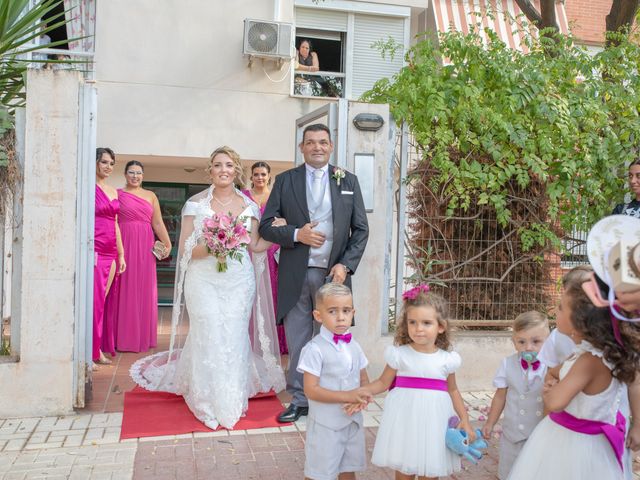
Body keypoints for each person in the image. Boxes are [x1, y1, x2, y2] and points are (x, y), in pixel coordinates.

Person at [130, 146, 285, 430]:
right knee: (210, 331)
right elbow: (186, 251)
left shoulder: (250, 207)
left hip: (238, 280)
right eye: (217, 165)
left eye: (228, 165)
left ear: (236, 170)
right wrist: (217, 245)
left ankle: (231, 397)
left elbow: (254, 245)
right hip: (203, 279)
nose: (223, 170)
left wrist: (283, 234)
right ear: (210, 170)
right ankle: (204, 399)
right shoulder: (195, 205)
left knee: (233, 334)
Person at [259, 123, 369, 423]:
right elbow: (265, 225)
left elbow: (360, 229)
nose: (317, 147)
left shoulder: (348, 180)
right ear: (302, 147)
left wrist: (344, 265)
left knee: (335, 335)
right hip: (296, 272)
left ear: (331, 146)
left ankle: (331, 393)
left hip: (333, 276)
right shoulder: (285, 180)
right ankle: (300, 399)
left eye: (322, 142)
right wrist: (297, 235)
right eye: (310, 142)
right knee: (298, 340)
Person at [507, 273, 640, 480]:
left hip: (577, 444)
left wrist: (550, 391)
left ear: (579, 320)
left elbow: (556, 402)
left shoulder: (588, 361)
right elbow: (556, 370)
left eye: (560, 307)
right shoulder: (588, 354)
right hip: (577, 437)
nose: (555, 311)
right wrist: (553, 377)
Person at [358, 285, 473, 479]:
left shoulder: (447, 359)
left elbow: (453, 390)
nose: (418, 329)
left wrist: (465, 420)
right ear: (406, 325)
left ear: (441, 327)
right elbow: (382, 382)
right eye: (412, 322)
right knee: (404, 468)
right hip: (405, 420)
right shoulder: (399, 355)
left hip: (434, 421)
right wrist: (360, 391)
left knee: (431, 468)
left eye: (426, 323)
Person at [297, 283, 370, 480]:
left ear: (353, 313)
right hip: (325, 425)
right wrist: (347, 395)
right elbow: (311, 390)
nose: (340, 317)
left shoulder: (354, 345)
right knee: (319, 472)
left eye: (346, 311)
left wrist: (362, 397)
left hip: (352, 422)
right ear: (318, 316)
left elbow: (364, 379)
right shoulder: (315, 349)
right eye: (332, 311)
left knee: (348, 468)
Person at [109, 160, 171, 353]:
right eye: (131, 172)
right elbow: (112, 220)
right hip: (124, 242)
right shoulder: (117, 194)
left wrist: (167, 243)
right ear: (125, 174)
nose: (135, 176)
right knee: (123, 288)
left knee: (143, 288)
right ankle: (122, 338)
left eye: (138, 173)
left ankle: (141, 336)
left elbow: (158, 223)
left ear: (143, 175)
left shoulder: (151, 196)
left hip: (145, 245)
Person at [482, 311, 550, 479]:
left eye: (536, 342)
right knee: (509, 472)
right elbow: (500, 396)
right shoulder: (507, 364)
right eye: (521, 342)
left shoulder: (551, 366)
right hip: (512, 434)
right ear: (514, 342)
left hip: (539, 433)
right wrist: (490, 422)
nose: (528, 347)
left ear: (548, 341)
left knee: (537, 472)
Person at [242, 162, 287, 355]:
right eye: (256, 174)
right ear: (251, 177)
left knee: (273, 293)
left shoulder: (277, 196)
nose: (259, 178)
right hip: (248, 249)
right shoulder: (243, 196)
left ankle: (274, 341)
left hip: (272, 250)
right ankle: (249, 338)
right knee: (249, 292)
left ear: (269, 176)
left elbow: (285, 219)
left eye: (263, 174)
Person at [94, 147, 125, 366]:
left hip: (111, 250)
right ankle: (91, 352)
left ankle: (96, 349)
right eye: (104, 162)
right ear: (95, 162)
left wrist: (121, 254)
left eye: (111, 163)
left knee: (102, 302)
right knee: (93, 303)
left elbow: (115, 224)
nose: (108, 167)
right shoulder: (87, 187)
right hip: (93, 250)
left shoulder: (113, 191)